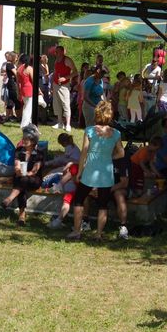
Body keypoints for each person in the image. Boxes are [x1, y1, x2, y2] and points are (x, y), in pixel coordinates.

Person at [68, 101, 124, 241]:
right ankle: (99, 234)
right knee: (103, 204)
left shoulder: (90, 130)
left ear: (97, 114)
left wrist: (79, 172)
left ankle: (77, 231)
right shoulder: (116, 133)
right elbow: (121, 153)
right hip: (106, 172)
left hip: (90, 171)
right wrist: (110, 157)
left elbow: (84, 152)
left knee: (79, 200)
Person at [0, 124, 44, 225]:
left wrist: (25, 174)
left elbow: (34, 171)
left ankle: (9, 199)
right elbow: (17, 165)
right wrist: (18, 170)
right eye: (23, 138)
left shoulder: (39, 153)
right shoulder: (19, 151)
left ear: (33, 141)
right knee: (22, 184)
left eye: (26, 139)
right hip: (20, 177)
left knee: (22, 181)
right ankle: (21, 216)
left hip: (34, 179)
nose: (23, 140)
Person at [51, 45, 75, 131]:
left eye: (57, 51)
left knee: (66, 104)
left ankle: (68, 124)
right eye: (55, 52)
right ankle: (60, 123)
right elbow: (55, 72)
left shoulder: (67, 60)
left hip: (64, 85)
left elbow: (75, 72)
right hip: (56, 84)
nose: (55, 53)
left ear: (62, 52)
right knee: (57, 104)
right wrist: (52, 84)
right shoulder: (56, 60)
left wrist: (65, 78)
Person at [0, 51, 19, 120]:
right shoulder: (10, 65)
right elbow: (16, 74)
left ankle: (7, 117)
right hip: (12, 84)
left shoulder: (9, 64)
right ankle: (18, 117)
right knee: (16, 100)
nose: (17, 59)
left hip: (11, 83)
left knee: (10, 101)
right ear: (13, 57)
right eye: (16, 57)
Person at [16, 54, 34, 128]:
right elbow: (33, 80)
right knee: (28, 108)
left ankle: (28, 122)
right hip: (29, 89)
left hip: (23, 89)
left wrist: (18, 92)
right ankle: (24, 124)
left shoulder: (18, 69)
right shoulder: (29, 68)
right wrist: (39, 90)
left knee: (26, 106)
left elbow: (18, 83)